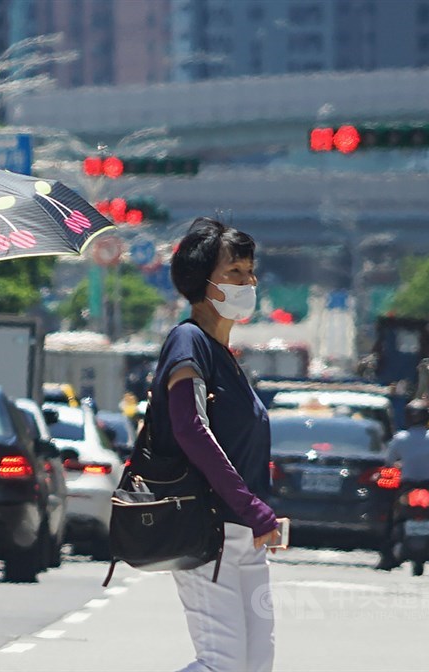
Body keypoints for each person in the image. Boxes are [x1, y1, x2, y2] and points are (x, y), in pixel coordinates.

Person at [149, 217, 284, 672]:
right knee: (223, 665)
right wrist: (251, 507)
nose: (249, 282)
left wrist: (257, 514)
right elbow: (190, 429)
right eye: (235, 273)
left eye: (250, 272)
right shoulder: (189, 341)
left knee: (254, 665)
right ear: (199, 281)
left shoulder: (224, 355)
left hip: (246, 536)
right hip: (210, 530)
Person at [376, 398, 429, 571]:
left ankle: (385, 557)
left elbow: (388, 462)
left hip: (407, 486)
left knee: (391, 519)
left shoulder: (400, 438)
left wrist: (399, 466)